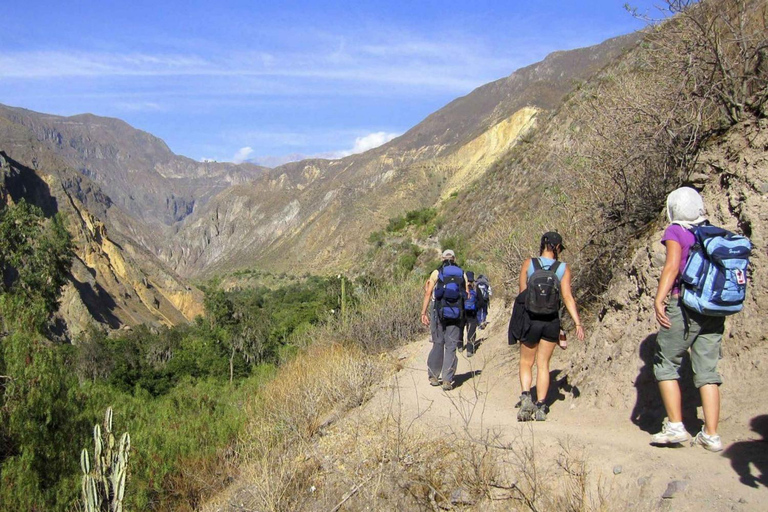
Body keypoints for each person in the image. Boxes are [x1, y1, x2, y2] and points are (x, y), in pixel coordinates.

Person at [651, 187, 725, 451]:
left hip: (684, 304)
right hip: (713, 307)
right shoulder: (711, 230)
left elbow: (672, 267)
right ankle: (711, 435)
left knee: (666, 363)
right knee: (707, 371)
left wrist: (660, 298)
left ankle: (675, 427)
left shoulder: (676, 231)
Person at [517, 232, 584, 421]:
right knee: (543, 364)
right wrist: (577, 322)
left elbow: (522, 294)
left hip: (530, 320)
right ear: (559, 247)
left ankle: (525, 398)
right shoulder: (563, 268)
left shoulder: (529, 264)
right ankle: (541, 406)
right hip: (551, 322)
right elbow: (567, 297)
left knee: (526, 362)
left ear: (542, 245)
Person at [420, 249, 470, 391]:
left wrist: (423, 312)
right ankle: (447, 379)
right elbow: (466, 294)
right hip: (455, 313)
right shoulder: (462, 273)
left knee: (438, 342)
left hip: (438, 312)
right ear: (454, 259)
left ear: (442, 259)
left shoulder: (437, 272)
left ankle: (434, 376)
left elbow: (428, 293)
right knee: (451, 345)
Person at [464, 272, 479, 357]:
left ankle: (460, 346)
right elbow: (480, 301)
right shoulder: (475, 289)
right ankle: (469, 349)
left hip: (463, 312)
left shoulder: (461, 288)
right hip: (473, 312)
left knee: (463, 327)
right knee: (472, 328)